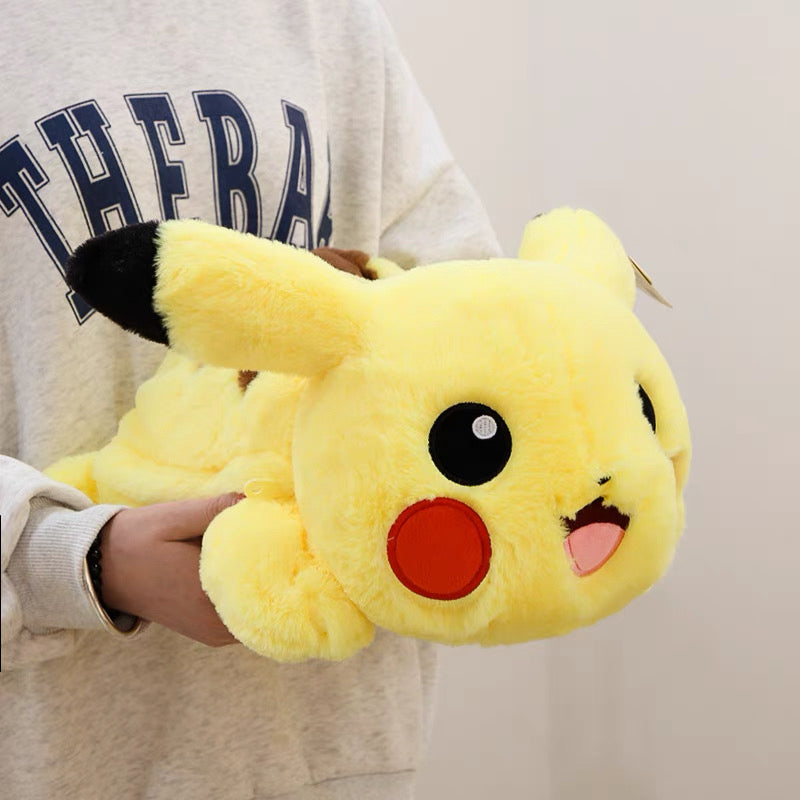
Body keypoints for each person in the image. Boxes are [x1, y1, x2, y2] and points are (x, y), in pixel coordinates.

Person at [0, 1, 500, 797]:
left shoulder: (327, 19)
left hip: (325, 737)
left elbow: (466, 303)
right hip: (60, 749)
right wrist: (81, 558)